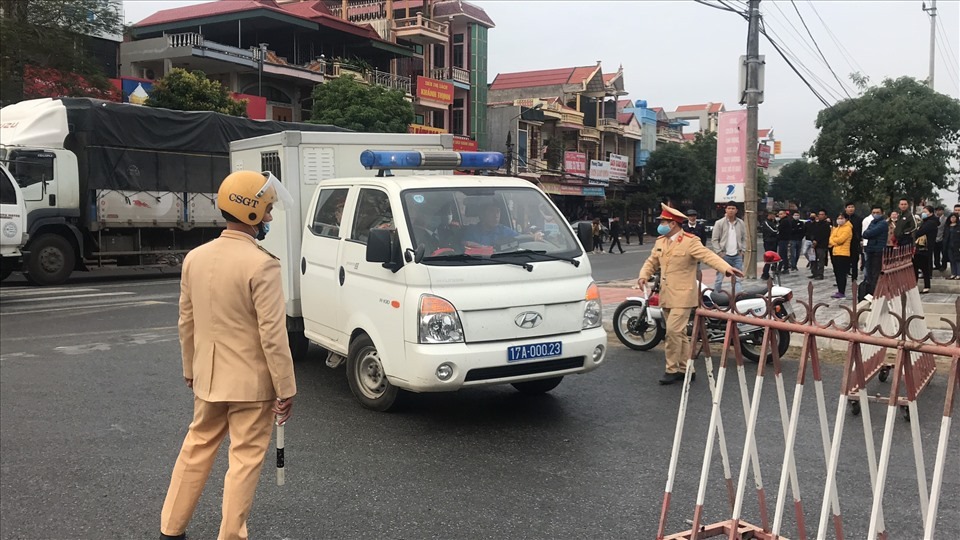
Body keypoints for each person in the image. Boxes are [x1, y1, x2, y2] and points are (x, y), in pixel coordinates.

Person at [160, 171, 297, 540]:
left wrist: (190, 367)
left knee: (196, 449)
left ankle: (171, 529)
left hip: (208, 377)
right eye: (266, 211)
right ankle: (231, 535)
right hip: (252, 386)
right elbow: (272, 333)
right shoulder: (262, 264)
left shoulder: (195, 257)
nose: (269, 218)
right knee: (244, 461)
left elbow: (185, 320)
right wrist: (286, 387)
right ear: (251, 213)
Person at [637, 203, 744, 385]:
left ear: (673, 224)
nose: (660, 224)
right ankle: (686, 368)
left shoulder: (690, 241)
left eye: (663, 221)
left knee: (672, 332)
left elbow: (707, 255)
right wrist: (643, 276)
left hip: (684, 296)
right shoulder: (660, 241)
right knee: (678, 334)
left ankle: (671, 369)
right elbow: (652, 261)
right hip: (667, 294)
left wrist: (726, 268)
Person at [710, 203, 746, 292]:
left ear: (736, 210)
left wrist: (743, 250)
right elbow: (714, 239)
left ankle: (738, 297)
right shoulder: (719, 223)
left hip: (737, 255)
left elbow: (744, 238)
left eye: (733, 208)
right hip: (724, 255)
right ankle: (716, 295)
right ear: (726, 210)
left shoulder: (741, 223)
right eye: (729, 208)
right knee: (719, 278)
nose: (731, 210)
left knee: (738, 279)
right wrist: (719, 252)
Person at [861, 206, 889, 295]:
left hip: (878, 250)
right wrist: (868, 234)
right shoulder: (873, 222)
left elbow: (870, 233)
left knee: (875, 271)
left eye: (878, 213)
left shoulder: (883, 223)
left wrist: (869, 234)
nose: (875, 214)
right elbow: (864, 234)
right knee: (868, 270)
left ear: (882, 213)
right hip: (870, 249)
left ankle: (875, 291)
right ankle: (869, 290)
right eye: (873, 213)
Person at [913, 205, 939, 293]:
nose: (923, 214)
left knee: (924, 268)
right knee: (917, 266)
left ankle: (926, 286)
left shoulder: (931, 222)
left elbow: (920, 232)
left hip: (925, 247)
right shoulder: (925, 221)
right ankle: (916, 285)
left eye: (925, 212)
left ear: (931, 213)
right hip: (921, 247)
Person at [829, 213, 853, 299]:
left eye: (842, 218)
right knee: (837, 273)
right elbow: (831, 239)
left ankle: (842, 291)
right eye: (838, 218)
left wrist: (834, 242)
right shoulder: (837, 228)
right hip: (835, 253)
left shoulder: (848, 228)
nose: (839, 219)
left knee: (841, 274)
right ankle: (839, 290)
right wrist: (834, 241)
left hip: (843, 254)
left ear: (846, 219)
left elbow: (840, 240)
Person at [807, 210, 831, 280]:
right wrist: (813, 240)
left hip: (822, 245)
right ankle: (814, 273)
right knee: (813, 259)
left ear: (825, 216)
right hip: (814, 244)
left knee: (821, 260)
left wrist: (817, 241)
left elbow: (824, 235)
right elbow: (812, 232)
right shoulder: (815, 224)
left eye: (822, 214)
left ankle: (820, 274)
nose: (821, 216)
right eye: (819, 214)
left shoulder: (826, 225)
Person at [843, 202, 861, 282]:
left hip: (854, 243)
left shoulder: (858, 219)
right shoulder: (842, 218)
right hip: (843, 243)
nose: (851, 208)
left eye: (852, 207)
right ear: (845, 208)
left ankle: (854, 277)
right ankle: (843, 277)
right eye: (849, 207)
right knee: (843, 262)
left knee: (854, 261)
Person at [761, 210, 779, 280]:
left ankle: (774, 270)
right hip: (768, 242)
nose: (774, 216)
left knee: (774, 257)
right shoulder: (766, 222)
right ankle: (765, 273)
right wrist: (777, 231)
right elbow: (773, 231)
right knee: (769, 258)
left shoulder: (773, 222)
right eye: (773, 215)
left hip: (774, 241)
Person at [776, 209, 794, 275]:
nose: (779, 215)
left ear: (784, 214)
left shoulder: (785, 221)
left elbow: (780, 230)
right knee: (783, 254)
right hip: (783, 239)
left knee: (782, 254)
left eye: (781, 214)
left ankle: (781, 268)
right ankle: (785, 267)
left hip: (783, 239)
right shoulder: (784, 221)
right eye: (779, 214)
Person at [944, 212, 960, 279]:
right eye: (951, 217)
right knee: (951, 260)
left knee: (958, 260)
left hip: (957, 246)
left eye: (954, 217)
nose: (952, 219)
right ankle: (953, 273)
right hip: (949, 246)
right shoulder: (947, 226)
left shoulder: (958, 226)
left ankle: (958, 274)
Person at [934, 206, 946, 271]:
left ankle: (944, 266)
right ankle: (937, 265)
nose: (938, 212)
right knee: (936, 253)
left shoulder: (946, 219)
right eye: (937, 211)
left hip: (942, 238)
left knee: (943, 253)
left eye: (939, 210)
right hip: (935, 238)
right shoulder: (934, 219)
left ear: (942, 211)